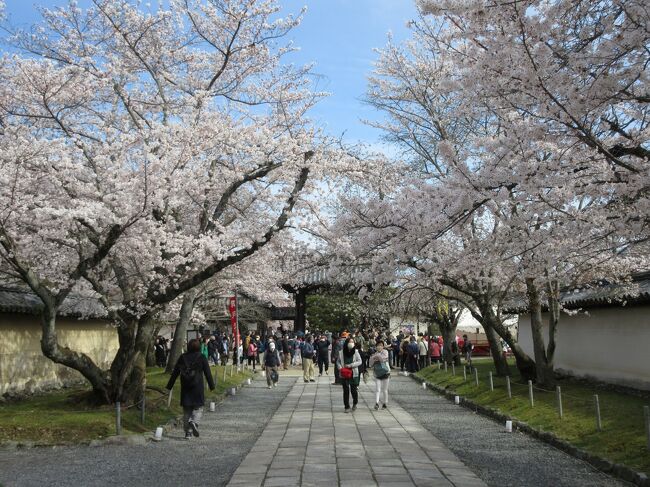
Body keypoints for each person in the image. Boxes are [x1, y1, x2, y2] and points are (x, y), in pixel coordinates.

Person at [166, 338, 215, 440]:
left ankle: (188, 433)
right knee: (198, 408)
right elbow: (208, 373)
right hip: (197, 387)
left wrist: (169, 386)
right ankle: (194, 422)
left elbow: (175, 373)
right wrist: (211, 385)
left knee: (186, 410)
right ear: (199, 347)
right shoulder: (201, 357)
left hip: (186, 387)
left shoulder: (182, 357)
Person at [337, 337, 362, 413]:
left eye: (352, 342)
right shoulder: (341, 352)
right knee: (346, 390)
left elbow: (359, 361)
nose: (351, 343)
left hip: (353, 373)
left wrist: (351, 365)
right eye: (350, 342)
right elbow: (338, 362)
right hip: (344, 373)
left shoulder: (356, 352)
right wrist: (340, 368)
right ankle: (346, 406)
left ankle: (355, 402)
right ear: (346, 343)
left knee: (353, 390)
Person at [369, 339, 390, 410]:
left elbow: (383, 359)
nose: (379, 347)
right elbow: (370, 364)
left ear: (383, 346)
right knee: (377, 389)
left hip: (385, 373)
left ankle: (385, 403)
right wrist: (374, 358)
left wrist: (376, 357)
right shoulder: (373, 354)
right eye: (378, 345)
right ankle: (377, 403)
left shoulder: (386, 352)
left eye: (381, 345)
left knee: (385, 390)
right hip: (377, 373)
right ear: (376, 347)